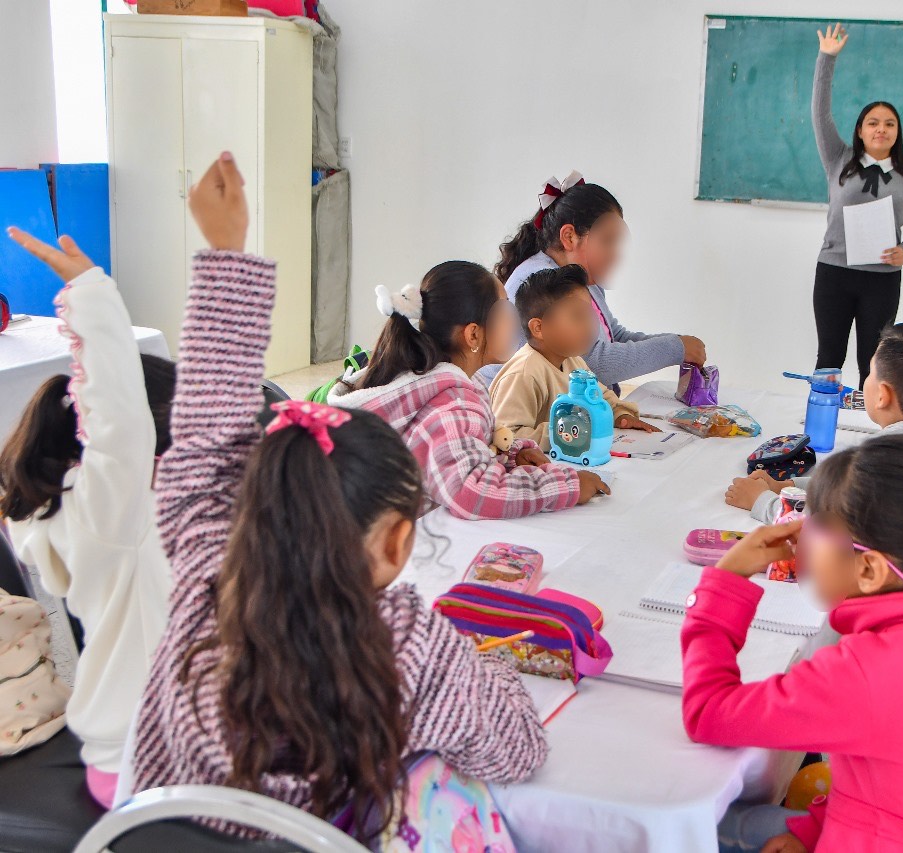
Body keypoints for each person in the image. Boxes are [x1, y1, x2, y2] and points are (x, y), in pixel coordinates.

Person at [129, 153, 547, 842]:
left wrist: (226, 255)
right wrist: (491, 667)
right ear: (395, 543)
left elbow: (204, 445)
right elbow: (516, 748)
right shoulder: (406, 646)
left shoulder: (203, 575)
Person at [685, 436, 903, 852]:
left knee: (696, 825)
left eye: (814, 524)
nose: (800, 535)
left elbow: (708, 714)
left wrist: (724, 585)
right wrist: (816, 830)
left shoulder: (867, 672)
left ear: (870, 569)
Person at [0, 228, 175, 809]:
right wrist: (90, 289)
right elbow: (121, 417)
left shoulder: (67, 518)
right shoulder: (115, 516)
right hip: (156, 761)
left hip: (120, 755)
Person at [326, 263, 609, 519]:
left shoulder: (454, 382)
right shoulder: (452, 402)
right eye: (503, 312)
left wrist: (509, 455)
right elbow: (472, 493)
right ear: (473, 334)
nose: (514, 323)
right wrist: (566, 488)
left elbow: (462, 452)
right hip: (402, 549)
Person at [727, 322, 903, 522]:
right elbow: (847, 487)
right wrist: (786, 485)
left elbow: (827, 531)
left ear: (883, 395)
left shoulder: (889, 455)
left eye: (869, 373)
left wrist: (761, 501)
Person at [477, 173, 705, 388]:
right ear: (569, 237)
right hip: (523, 415)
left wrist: (678, 342)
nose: (615, 253)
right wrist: (675, 348)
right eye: (607, 241)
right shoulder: (540, 281)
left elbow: (615, 337)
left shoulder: (582, 280)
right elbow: (590, 363)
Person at [811, 23, 903, 387]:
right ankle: (824, 430)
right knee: (829, 357)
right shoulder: (838, 159)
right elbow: (820, 112)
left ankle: (868, 434)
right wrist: (826, 58)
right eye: (873, 123)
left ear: (897, 133)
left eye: (889, 124)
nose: (881, 129)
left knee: (873, 362)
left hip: (882, 279)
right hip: (834, 273)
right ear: (860, 130)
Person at [490, 264, 657, 450]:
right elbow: (507, 436)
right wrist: (573, 430)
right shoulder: (524, 373)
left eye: (589, 315)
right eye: (577, 317)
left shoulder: (572, 359)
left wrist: (619, 414)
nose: (588, 326)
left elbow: (600, 397)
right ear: (538, 328)